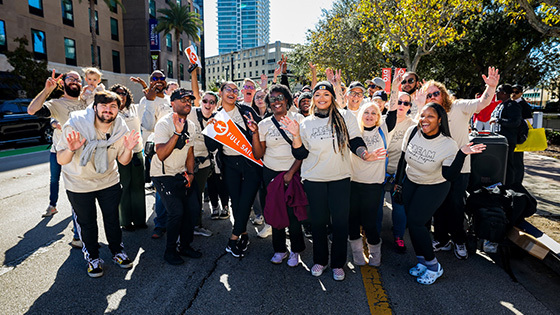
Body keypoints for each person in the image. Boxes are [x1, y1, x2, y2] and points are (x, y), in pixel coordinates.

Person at [281, 81, 386, 281]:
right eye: (318, 95)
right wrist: (295, 135)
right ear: (313, 98)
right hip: (314, 179)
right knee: (319, 223)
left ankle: (338, 264)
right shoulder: (306, 122)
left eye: (326, 94)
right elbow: (301, 153)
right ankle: (320, 261)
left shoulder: (345, 117)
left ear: (332, 97)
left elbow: (355, 140)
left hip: (340, 179)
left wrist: (364, 154)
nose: (322, 98)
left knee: (340, 224)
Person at [415, 67, 500, 260]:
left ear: (443, 94)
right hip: (436, 167)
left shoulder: (458, 107)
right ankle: (442, 240)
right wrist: (420, 107)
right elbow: (416, 130)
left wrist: (491, 88)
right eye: (429, 95)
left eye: (436, 93)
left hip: (460, 168)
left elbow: (482, 103)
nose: (433, 97)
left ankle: (459, 240)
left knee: (455, 205)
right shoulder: (426, 114)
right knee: (438, 206)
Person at [396, 103, 486, 285]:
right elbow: (402, 160)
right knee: (412, 224)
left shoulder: (448, 144)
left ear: (439, 120)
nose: (424, 120)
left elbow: (449, 175)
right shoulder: (413, 132)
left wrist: (461, 154)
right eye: (422, 115)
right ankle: (421, 261)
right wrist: (398, 184)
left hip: (434, 185)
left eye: (430, 116)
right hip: (411, 181)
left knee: (417, 222)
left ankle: (434, 266)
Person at [57, 91, 140, 277]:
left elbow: (124, 161)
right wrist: (71, 150)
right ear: (94, 107)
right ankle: (93, 258)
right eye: (104, 105)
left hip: (108, 180)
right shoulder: (75, 124)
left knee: (112, 219)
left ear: (118, 110)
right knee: (87, 224)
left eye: (113, 106)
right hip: (79, 183)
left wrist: (128, 148)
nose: (108, 110)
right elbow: (61, 159)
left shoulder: (120, 128)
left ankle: (117, 252)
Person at [248, 84, 307, 267]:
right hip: (271, 174)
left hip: (294, 172)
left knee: (294, 215)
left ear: (288, 100)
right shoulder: (264, 123)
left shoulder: (298, 119)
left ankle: (296, 251)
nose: (277, 102)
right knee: (275, 213)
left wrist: (291, 172)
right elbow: (258, 154)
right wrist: (255, 134)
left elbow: (304, 151)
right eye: (272, 99)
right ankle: (280, 250)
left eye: (280, 98)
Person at [28, 70, 87, 248]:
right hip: (64, 154)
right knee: (70, 191)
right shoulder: (56, 103)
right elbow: (32, 110)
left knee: (85, 197)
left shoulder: (87, 101)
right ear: (63, 84)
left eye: (77, 79)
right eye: (70, 79)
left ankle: (81, 232)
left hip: (86, 155)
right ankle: (77, 234)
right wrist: (47, 90)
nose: (74, 81)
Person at [205, 82, 262, 258]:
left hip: (250, 163)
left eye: (235, 90)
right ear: (220, 93)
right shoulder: (216, 116)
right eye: (228, 90)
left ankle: (233, 238)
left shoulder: (246, 110)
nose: (232, 93)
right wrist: (211, 128)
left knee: (246, 200)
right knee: (236, 203)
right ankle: (243, 234)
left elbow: (259, 130)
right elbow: (211, 147)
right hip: (229, 164)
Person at [151, 88, 202, 265]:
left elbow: (190, 152)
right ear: (172, 103)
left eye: (190, 100)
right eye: (183, 99)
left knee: (193, 210)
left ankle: (185, 246)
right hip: (163, 175)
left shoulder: (192, 125)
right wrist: (177, 133)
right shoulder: (163, 124)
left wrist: (191, 174)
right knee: (176, 212)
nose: (187, 102)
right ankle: (170, 251)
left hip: (182, 174)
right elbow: (161, 154)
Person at [348, 103, 389, 267]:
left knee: (370, 222)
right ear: (360, 115)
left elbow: (392, 111)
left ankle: (375, 253)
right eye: (366, 112)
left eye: (374, 113)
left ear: (379, 117)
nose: (370, 115)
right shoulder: (354, 132)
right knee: (352, 221)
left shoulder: (384, 131)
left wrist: (394, 86)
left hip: (373, 185)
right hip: (352, 183)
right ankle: (357, 253)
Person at [110, 84, 147, 231]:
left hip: (137, 152)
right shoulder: (111, 111)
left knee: (138, 187)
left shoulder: (134, 109)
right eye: (118, 93)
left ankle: (139, 220)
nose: (121, 95)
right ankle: (125, 221)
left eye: (124, 92)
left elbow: (147, 106)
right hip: (120, 154)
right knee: (124, 187)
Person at [188, 67, 220, 236]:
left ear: (216, 105)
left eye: (212, 102)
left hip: (205, 162)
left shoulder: (218, 121)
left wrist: (211, 130)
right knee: (186, 194)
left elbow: (214, 147)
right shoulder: (191, 113)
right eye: (205, 101)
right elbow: (194, 92)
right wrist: (193, 74)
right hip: (186, 160)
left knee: (197, 194)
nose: (208, 104)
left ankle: (196, 225)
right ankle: (184, 225)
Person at [141, 70, 173, 239]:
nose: (159, 81)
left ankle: (173, 220)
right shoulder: (145, 100)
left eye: (162, 78)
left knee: (171, 187)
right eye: (155, 78)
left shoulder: (170, 100)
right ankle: (160, 224)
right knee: (160, 190)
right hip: (155, 151)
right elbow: (147, 124)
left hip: (174, 148)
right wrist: (150, 102)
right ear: (150, 80)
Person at [385, 91, 416, 253]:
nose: (402, 105)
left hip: (400, 173)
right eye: (399, 102)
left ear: (410, 107)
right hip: (379, 171)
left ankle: (398, 236)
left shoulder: (414, 125)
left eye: (406, 103)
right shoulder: (382, 121)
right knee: (376, 207)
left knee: (399, 206)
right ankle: (373, 236)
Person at [490, 84, 523, 187]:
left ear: (504, 93)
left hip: (507, 141)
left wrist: (498, 120)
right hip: (498, 141)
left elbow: (515, 122)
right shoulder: (500, 105)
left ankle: (510, 186)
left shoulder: (512, 105)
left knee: (508, 165)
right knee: (500, 164)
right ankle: (501, 184)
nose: (496, 93)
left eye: (498, 91)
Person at [511, 84, 532, 187]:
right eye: (512, 91)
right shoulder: (510, 103)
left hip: (519, 137)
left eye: (516, 92)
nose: (513, 94)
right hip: (512, 136)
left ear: (521, 93)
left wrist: (516, 123)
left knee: (517, 161)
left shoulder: (524, 105)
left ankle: (517, 183)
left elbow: (529, 121)